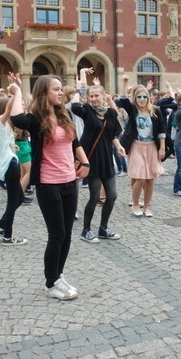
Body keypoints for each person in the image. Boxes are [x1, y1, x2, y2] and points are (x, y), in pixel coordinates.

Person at [10, 75, 90, 301]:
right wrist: (16, 91)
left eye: (60, 89)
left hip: (69, 180)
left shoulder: (64, 114)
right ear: (43, 93)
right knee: (57, 234)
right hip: (48, 182)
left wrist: (85, 162)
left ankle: (58, 275)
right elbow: (17, 118)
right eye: (55, 89)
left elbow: (75, 143)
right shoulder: (36, 119)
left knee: (67, 235)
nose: (60, 92)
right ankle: (50, 282)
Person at [70, 75, 125, 244]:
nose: (93, 99)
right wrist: (81, 88)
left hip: (106, 158)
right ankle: (86, 230)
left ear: (103, 96)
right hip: (91, 158)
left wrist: (119, 147)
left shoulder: (110, 113)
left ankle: (103, 228)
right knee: (94, 196)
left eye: (96, 96)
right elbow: (73, 106)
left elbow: (112, 134)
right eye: (91, 96)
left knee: (112, 196)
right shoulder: (87, 110)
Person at [117, 76, 166, 217]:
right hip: (136, 146)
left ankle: (147, 206)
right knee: (140, 178)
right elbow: (122, 99)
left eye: (145, 96)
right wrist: (125, 82)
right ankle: (136, 203)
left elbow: (162, 129)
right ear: (135, 98)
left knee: (150, 179)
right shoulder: (132, 110)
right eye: (139, 97)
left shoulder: (155, 110)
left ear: (148, 97)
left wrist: (162, 148)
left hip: (151, 147)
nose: (142, 99)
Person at [0, 76, 27, 245]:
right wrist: (16, 91)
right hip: (10, 166)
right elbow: (9, 107)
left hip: (9, 163)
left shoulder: (0, 126)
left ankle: (2, 225)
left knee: (19, 197)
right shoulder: (0, 122)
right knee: (13, 201)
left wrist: (12, 147)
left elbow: (4, 143)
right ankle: (7, 237)